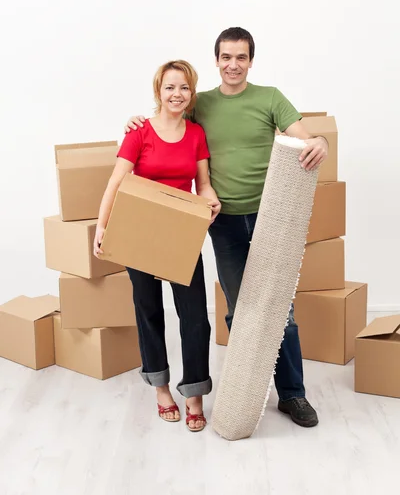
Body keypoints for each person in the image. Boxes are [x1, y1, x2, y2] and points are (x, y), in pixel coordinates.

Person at [125, 28, 329, 428]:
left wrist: (320, 140)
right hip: (225, 223)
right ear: (216, 61)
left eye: (241, 57)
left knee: (280, 310)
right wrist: (135, 120)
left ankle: (293, 395)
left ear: (251, 61)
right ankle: (243, 390)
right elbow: (167, 119)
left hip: (272, 217)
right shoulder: (201, 104)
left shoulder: (269, 97)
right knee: (242, 311)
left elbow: (305, 139)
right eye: (226, 57)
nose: (233, 64)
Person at [94, 60, 221, 432]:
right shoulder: (139, 133)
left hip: (181, 235)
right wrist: (102, 227)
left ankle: (194, 393)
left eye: (183, 88)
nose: (176, 94)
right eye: (169, 87)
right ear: (158, 91)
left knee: (195, 316)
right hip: (138, 235)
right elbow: (115, 183)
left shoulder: (196, 134)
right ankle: (161, 388)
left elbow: (204, 183)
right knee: (148, 310)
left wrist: (211, 200)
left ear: (191, 93)